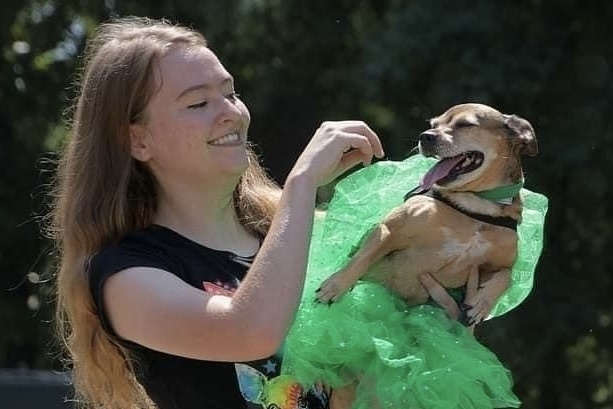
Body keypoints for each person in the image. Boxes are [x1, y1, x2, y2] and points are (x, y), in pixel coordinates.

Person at [47, 15, 517, 409]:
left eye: (230, 93)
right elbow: (249, 332)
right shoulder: (126, 275)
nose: (231, 112)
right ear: (137, 140)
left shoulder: (316, 235)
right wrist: (302, 184)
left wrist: (445, 326)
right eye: (198, 103)